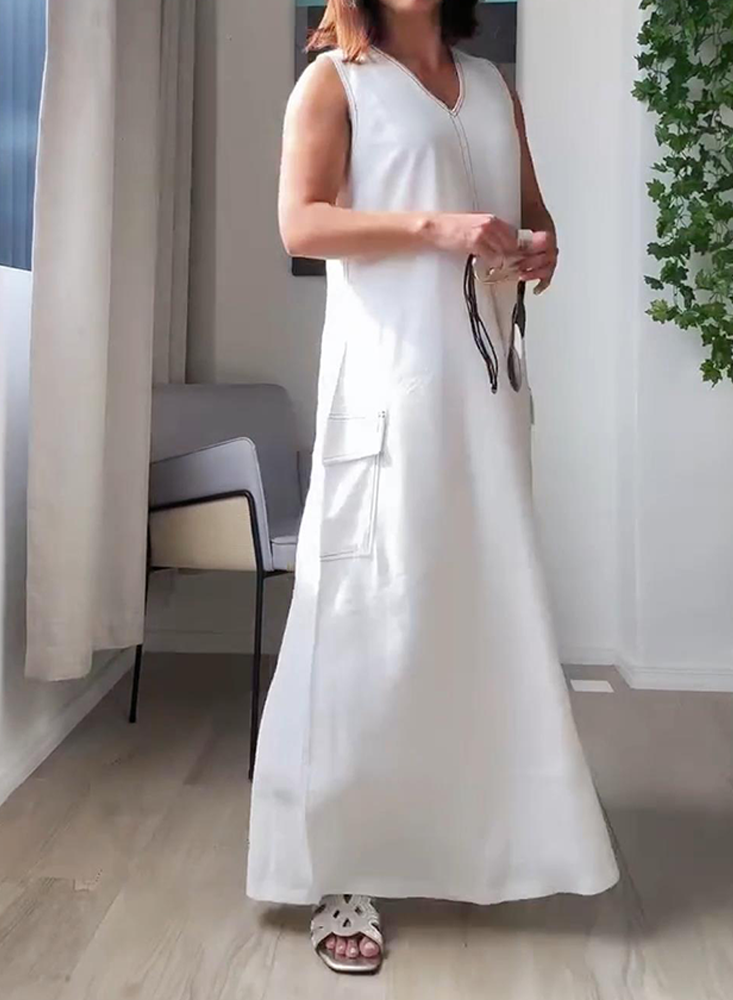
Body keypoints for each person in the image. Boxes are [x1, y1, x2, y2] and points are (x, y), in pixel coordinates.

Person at [247, 0, 620, 975]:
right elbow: (300, 221)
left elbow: (533, 217)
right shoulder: (334, 82)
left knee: (477, 615)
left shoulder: (493, 89)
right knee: (366, 621)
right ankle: (340, 868)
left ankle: (471, 842)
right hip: (386, 395)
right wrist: (433, 226)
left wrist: (539, 248)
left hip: (487, 402)